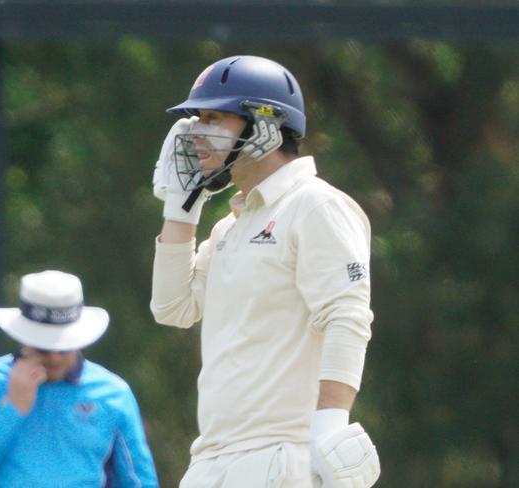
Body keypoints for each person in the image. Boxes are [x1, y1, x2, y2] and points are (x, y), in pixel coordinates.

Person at [150, 55, 381, 488]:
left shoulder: (315, 205)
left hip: (281, 456)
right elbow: (172, 308)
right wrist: (180, 210)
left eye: (215, 117)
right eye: (198, 118)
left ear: (265, 125)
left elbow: (346, 316)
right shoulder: (229, 228)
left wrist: (329, 425)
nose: (197, 133)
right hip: (212, 458)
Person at [0, 270, 159, 488]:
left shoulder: (114, 393)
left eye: (63, 347)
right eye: (44, 347)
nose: (54, 358)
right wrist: (12, 410)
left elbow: (139, 480)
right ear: (23, 337)